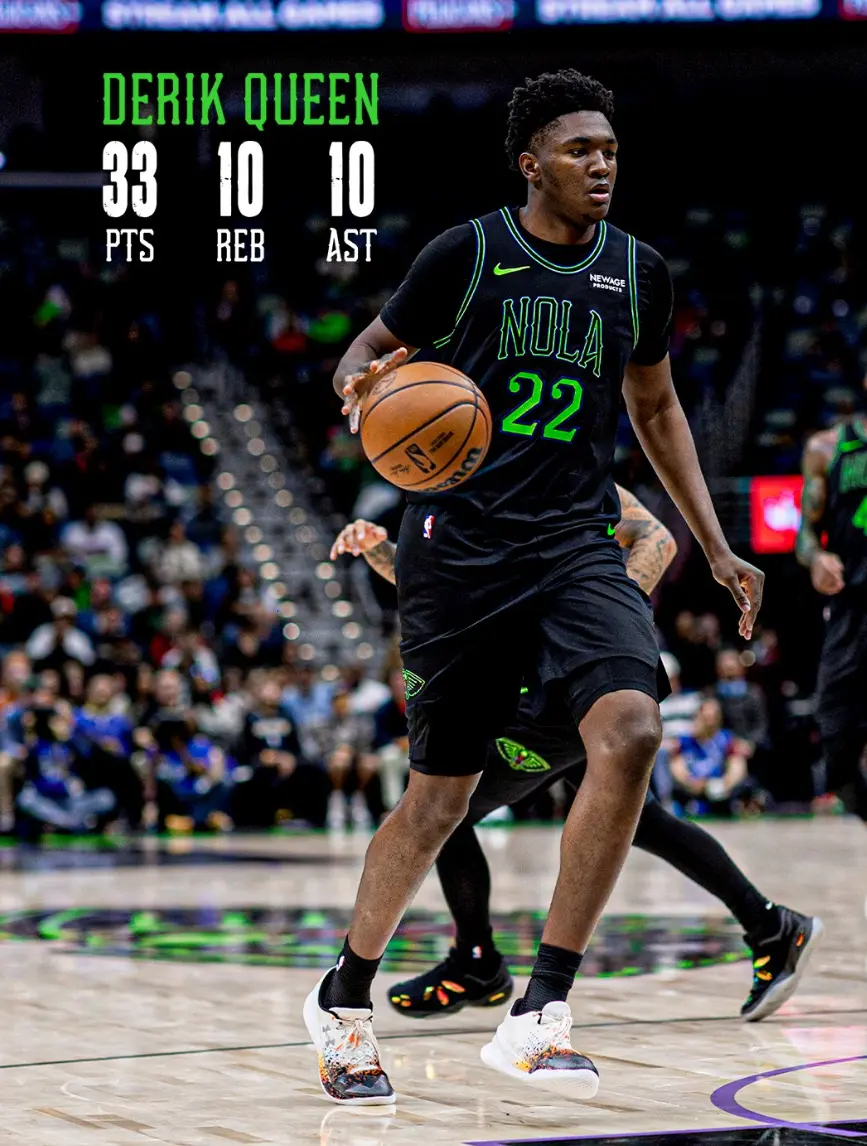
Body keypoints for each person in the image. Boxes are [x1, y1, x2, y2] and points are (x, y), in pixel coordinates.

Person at [305, 69, 764, 1105]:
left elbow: (657, 410)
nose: (601, 165)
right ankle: (342, 998)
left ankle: (540, 1010)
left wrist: (714, 544)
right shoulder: (466, 255)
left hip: (573, 542)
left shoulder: (638, 272)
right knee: (438, 802)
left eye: (610, 150)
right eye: (578, 150)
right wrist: (361, 387)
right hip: (458, 548)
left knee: (632, 730)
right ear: (531, 165)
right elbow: (368, 350)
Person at [332, 509, 820, 1028]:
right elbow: (452, 579)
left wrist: (593, 621)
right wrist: (379, 549)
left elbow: (656, 536)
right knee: (640, 821)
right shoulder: (473, 482)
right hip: (524, 672)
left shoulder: (561, 469)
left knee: (443, 805)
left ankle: (478, 960)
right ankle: (770, 925)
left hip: (566, 676)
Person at [796, 394, 867, 821]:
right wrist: (817, 558)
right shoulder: (827, 447)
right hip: (851, 608)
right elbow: (804, 534)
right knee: (835, 736)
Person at [669, 697, 752, 818]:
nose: (709, 722)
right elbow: (677, 767)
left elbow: (737, 764)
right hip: (693, 789)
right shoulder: (685, 741)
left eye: (713, 717)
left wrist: (726, 783)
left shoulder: (727, 739)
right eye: (705, 718)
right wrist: (691, 782)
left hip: (721, 788)